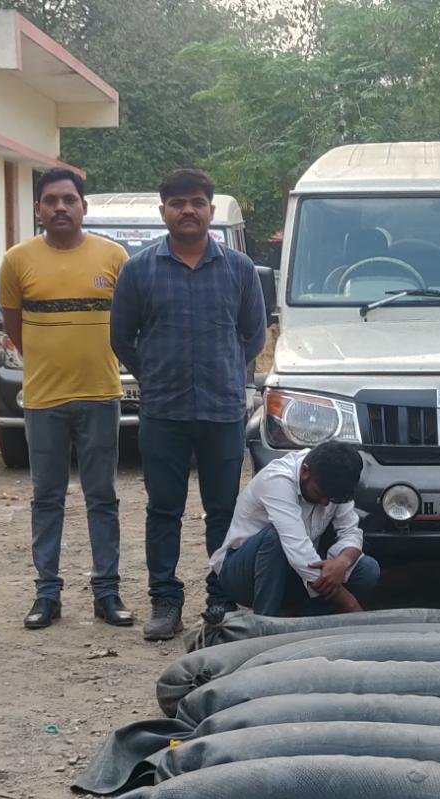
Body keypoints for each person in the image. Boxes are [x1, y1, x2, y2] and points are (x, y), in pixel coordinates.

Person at [111, 168, 267, 641]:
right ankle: (166, 600)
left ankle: (221, 598)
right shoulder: (139, 269)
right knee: (164, 509)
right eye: (177, 203)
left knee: (224, 510)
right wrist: (156, 376)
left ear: (210, 210)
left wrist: (224, 373)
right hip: (163, 412)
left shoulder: (239, 269)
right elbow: (122, 339)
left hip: (221, 411)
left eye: (197, 202)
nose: (188, 210)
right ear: (163, 212)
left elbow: (253, 335)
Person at [0, 168, 133, 631]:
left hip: (101, 395)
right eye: (50, 200)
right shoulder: (18, 260)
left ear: (83, 206)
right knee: (46, 497)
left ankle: (107, 593)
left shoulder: (114, 257)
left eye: (69, 199)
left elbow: (129, 320)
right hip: (43, 399)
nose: (60, 207)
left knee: (103, 497)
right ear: (38, 208)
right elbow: (13, 326)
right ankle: (47, 595)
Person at [210, 441, 380, 615]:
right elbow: (299, 551)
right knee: (274, 538)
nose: (326, 502)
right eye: (320, 494)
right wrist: (348, 602)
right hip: (243, 574)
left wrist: (341, 562)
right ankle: (267, 624)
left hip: (294, 573)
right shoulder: (277, 479)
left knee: (367, 570)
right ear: (305, 472)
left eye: (333, 498)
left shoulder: (336, 482)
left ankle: (304, 617)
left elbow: (351, 532)